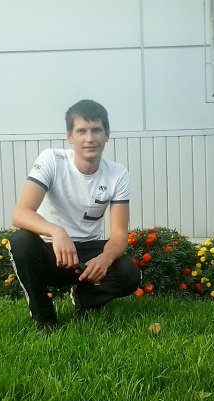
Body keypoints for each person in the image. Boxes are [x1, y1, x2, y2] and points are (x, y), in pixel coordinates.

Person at [8, 99, 142, 330]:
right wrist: (56, 231)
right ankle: (44, 318)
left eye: (96, 130)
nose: (89, 138)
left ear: (107, 134)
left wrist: (105, 258)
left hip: (86, 256)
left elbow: (120, 234)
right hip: (52, 251)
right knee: (21, 241)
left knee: (129, 274)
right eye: (81, 131)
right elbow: (20, 213)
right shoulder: (51, 160)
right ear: (70, 136)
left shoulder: (117, 174)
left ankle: (84, 299)